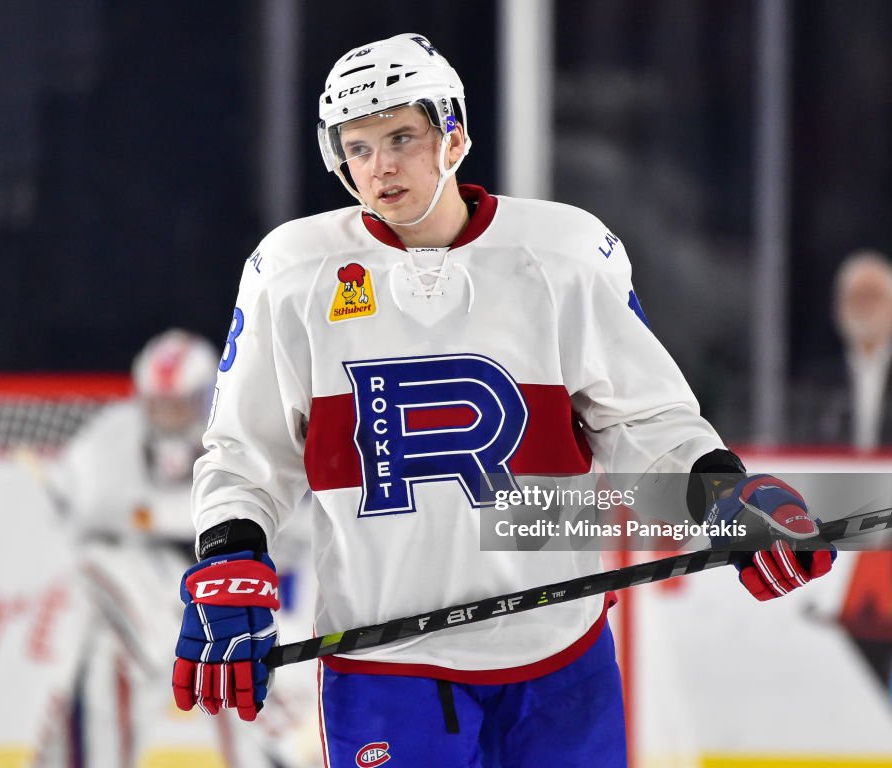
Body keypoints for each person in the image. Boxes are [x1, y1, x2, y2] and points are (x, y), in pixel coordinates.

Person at [171, 34, 835, 767]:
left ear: (453, 134)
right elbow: (244, 453)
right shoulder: (293, 275)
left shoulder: (563, 255)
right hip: (387, 667)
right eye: (358, 148)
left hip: (557, 655)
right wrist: (231, 552)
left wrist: (721, 498)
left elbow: (644, 422)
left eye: (402, 136)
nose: (381, 166)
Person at [39, 329, 280, 768]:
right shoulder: (106, 445)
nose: (167, 418)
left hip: (235, 595)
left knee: (254, 699)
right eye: (158, 404)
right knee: (111, 666)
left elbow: (291, 528)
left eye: (179, 404)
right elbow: (77, 528)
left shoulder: (249, 438)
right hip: (144, 598)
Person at [828, 249, 892, 450]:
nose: (865, 306)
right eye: (857, 296)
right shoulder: (816, 377)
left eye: (874, 296)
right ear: (839, 307)